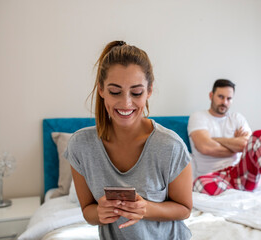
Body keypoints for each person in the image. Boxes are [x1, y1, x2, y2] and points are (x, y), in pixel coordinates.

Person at [64, 41, 192, 239]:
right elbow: (88, 210)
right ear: (101, 90)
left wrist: (145, 209)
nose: (126, 103)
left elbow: (184, 209)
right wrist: (100, 213)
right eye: (115, 92)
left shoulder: (170, 146)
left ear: (149, 91)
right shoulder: (81, 146)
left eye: (136, 92)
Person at [188, 79, 261, 202]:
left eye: (229, 99)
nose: (224, 102)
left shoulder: (237, 118)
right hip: (212, 177)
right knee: (199, 184)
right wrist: (234, 143)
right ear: (211, 95)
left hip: (239, 173)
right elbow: (205, 147)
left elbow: (246, 144)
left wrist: (215, 139)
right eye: (221, 97)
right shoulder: (198, 117)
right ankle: (238, 196)